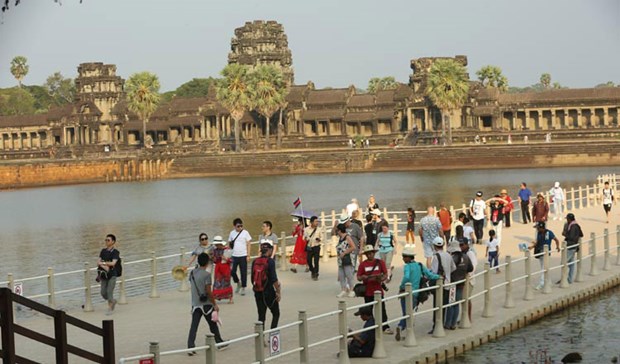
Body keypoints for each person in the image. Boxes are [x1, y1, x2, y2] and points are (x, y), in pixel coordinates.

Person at [395, 244, 439, 341]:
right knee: (410, 312)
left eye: (404, 257)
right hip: (415, 294)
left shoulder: (407, 267)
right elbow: (429, 275)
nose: (403, 258)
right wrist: (438, 277)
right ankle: (404, 329)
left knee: (406, 313)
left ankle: (401, 327)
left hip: (405, 292)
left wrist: (401, 286)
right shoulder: (419, 265)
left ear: (408, 257)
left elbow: (406, 277)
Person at [187, 253, 225, 356]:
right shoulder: (207, 275)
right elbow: (209, 291)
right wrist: (215, 304)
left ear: (198, 262)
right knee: (213, 325)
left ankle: (190, 347)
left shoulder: (192, 273)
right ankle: (220, 343)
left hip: (195, 304)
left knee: (194, 326)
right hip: (206, 304)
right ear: (207, 262)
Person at [357, 244, 392, 334]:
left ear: (373, 253)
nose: (370, 255)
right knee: (369, 310)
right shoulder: (362, 264)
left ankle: (385, 326)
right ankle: (371, 327)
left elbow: (385, 274)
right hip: (368, 291)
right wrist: (364, 277)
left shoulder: (380, 262)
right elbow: (358, 277)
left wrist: (381, 278)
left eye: (371, 253)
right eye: (368, 254)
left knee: (382, 309)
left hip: (378, 290)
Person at [252, 239, 281, 331]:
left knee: (261, 316)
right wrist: (278, 292)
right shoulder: (270, 262)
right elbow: (274, 279)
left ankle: (261, 339)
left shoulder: (255, 261)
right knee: (276, 313)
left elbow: (252, 278)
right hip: (268, 292)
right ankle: (272, 337)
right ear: (269, 250)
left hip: (258, 292)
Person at [429, 236, 456, 334]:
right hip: (447, 283)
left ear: (435, 246)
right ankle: (441, 323)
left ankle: (436, 325)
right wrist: (447, 274)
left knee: (437, 305)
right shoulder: (448, 255)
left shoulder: (436, 257)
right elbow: (454, 267)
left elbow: (434, 272)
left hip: (439, 285)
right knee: (443, 305)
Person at [445, 237, 473, 330]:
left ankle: (448, 323)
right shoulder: (466, 257)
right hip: (461, 283)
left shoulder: (452, 258)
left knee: (451, 303)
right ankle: (453, 324)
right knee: (456, 303)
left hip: (453, 284)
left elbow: (448, 270)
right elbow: (470, 268)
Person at [529, 222, 560, 290]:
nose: (537, 229)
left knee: (543, 268)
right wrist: (532, 247)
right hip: (540, 252)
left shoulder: (549, 232)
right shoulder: (539, 233)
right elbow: (537, 242)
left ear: (542, 227)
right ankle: (549, 281)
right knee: (544, 267)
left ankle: (542, 283)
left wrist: (558, 247)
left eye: (538, 228)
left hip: (546, 252)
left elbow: (556, 240)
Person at [229, 218, 252, 296]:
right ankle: (238, 282)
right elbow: (230, 244)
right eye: (238, 226)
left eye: (241, 226)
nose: (240, 228)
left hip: (243, 255)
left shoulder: (245, 233)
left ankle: (243, 287)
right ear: (234, 226)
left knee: (243, 272)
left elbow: (249, 244)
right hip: (234, 256)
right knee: (232, 272)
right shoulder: (232, 233)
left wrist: (248, 255)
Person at [97, 234, 120, 315]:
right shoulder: (103, 251)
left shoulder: (115, 252)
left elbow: (113, 263)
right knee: (103, 293)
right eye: (105, 240)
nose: (106, 241)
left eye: (108, 240)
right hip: (104, 275)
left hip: (112, 275)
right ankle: (113, 301)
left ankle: (110, 309)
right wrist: (105, 265)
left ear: (113, 241)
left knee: (109, 292)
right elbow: (98, 262)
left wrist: (103, 263)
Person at [459, 228, 477, 323]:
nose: (461, 247)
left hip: (469, 280)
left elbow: (473, 267)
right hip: (462, 280)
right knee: (463, 299)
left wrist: (467, 276)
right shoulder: (461, 254)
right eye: (459, 245)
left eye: (462, 245)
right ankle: (464, 317)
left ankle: (468, 318)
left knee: (466, 298)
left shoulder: (470, 254)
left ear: (466, 245)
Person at [335, 223, 356, 298]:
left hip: (347, 258)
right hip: (340, 259)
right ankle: (343, 290)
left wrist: (345, 252)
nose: (337, 232)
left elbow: (353, 247)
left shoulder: (347, 237)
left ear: (340, 230)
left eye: (337, 230)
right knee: (341, 275)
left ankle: (352, 290)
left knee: (348, 274)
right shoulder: (340, 238)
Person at [210, 236, 233, 303]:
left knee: (227, 282)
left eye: (217, 244)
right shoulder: (215, 250)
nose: (216, 246)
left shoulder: (227, 250)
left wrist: (226, 259)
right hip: (218, 267)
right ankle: (215, 297)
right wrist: (213, 259)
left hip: (226, 267)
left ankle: (230, 298)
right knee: (217, 282)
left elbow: (232, 260)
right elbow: (215, 261)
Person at [562, 213, 583, 284]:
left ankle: (564, 279)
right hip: (574, 246)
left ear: (569, 219)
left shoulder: (573, 226)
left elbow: (571, 237)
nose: (567, 220)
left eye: (567, 219)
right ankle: (569, 279)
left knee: (563, 262)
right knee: (571, 264)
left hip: (571, 246)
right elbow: (581, 234)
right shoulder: (577, 225)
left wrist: (565, 234)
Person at [304, 216, 323, 280]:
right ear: (311, 222)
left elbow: (322, 237)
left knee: (316, 261)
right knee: (308, 260)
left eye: (317, 221)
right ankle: (312, 270)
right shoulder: (306, 229)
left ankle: (316, 274)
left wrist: (319, 239)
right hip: (309, 247)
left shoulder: (319, 229)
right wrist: (306, 238)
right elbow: (303, 238)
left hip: (316, 246)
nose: (317, 223)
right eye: (315, 221)